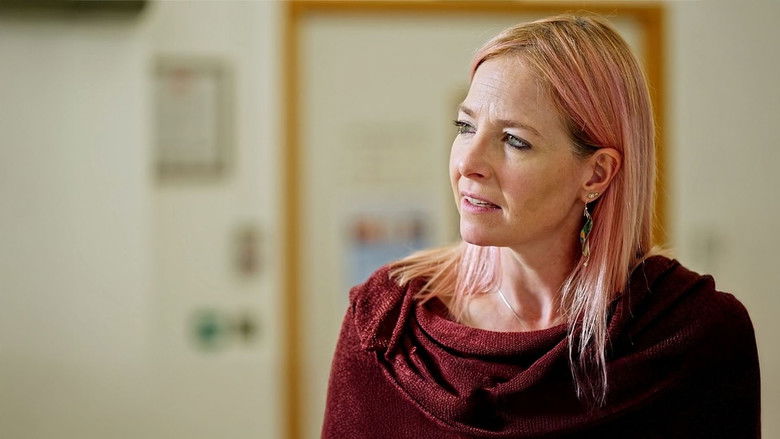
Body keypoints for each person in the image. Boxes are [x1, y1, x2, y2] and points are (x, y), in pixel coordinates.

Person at [322, 15, 760, 438]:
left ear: (596, 174)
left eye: (515, 140)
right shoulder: (385, 325)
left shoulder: (694, 335)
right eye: (465, 126)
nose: (468, 163)